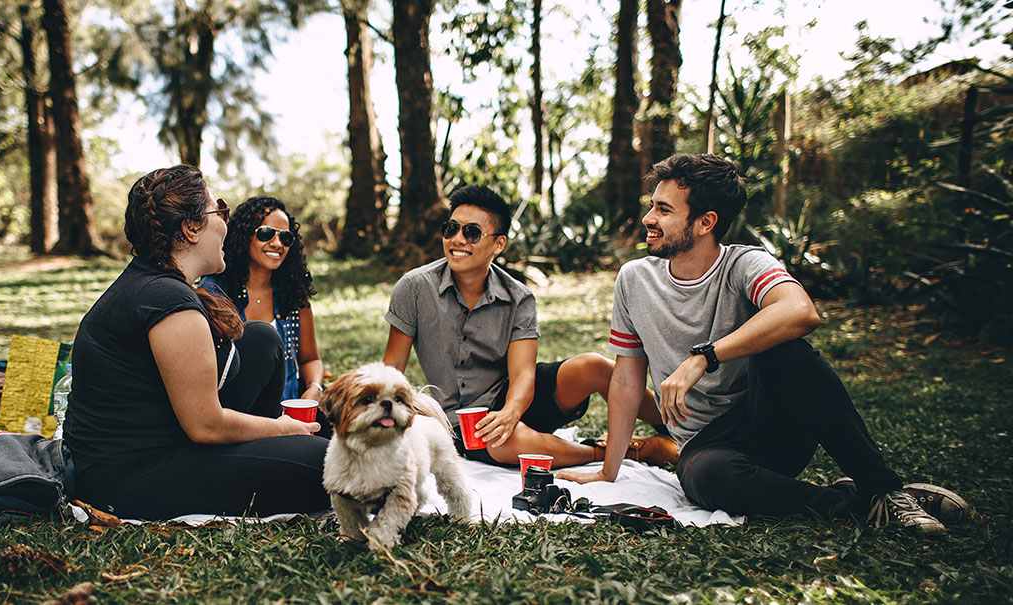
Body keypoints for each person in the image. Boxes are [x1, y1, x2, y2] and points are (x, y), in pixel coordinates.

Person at [558, 154, 968, 538]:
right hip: (707, 447)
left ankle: (886, 489)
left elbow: (800, 311)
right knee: (707, 478)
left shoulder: (744, 263)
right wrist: (608, 471)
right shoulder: (634, 279)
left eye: (664, 210)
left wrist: (705, 356)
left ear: (705, 222)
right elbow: (628, 379)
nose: (648, 218)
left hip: (771, 423)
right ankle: (860, 501)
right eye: (653, 205)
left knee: (787, 350)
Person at [65, 165, 330, 520]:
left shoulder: (157, 283)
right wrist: (285, 427)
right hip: (128, 477)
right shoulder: (166, 300)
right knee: (328, 465)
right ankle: (285, 448)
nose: (226, 223)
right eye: (219, 210)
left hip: (167, 439)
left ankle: (280, 449)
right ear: (191, 228)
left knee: (261, 339)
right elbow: (206, 425)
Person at [382, 184, 672, 468]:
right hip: (461, 421)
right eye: (451, 229)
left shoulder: (518, 297)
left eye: (471, 233)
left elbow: (523, 374)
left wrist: (510, 412)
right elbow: (392, 367)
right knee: (502, 441)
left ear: (498, 244)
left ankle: (676, 426)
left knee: (593, 366)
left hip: (515, 399)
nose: (458, 239)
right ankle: (623, 451)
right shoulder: (414, 288)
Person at [197, 197, 324, 402]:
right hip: (236, 415)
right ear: (244, 235)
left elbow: (310, 359)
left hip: (289, 413)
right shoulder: (214, 293)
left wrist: (314, 388)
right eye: (266, 233)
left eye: (285, 237)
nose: (277, 244)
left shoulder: (292, 294)